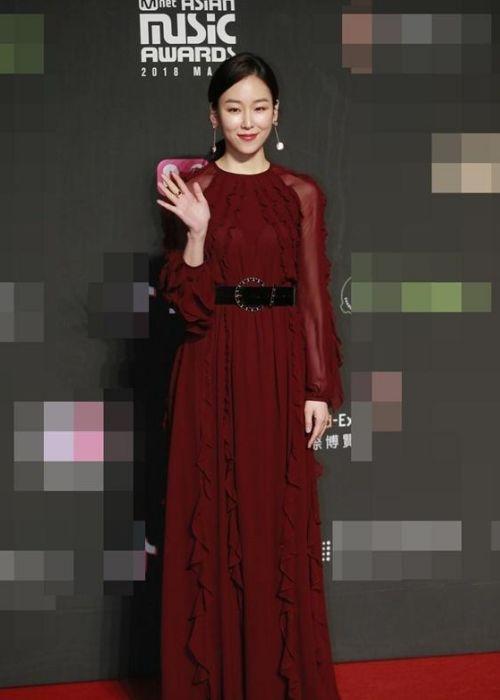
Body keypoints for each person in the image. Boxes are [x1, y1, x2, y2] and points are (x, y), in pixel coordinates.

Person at [157, 51, 344, 700]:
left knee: (273, 523)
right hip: (211, 364)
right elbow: (191, 310)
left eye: (259, 107)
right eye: (233, 108)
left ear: (276, 114)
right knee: (211, 522)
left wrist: (318, 388)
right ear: (213, 115)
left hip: (279, 365)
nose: (247, 120)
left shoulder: (301, 193)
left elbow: (314, 296)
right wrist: (197, 233)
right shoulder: (192, 191)